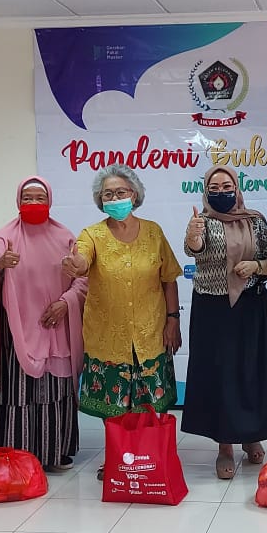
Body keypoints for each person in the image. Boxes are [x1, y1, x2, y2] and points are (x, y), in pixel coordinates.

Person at [61, 164, 182, 481]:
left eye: (121, 192)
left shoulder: (154, 232)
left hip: (150, 333)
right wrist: (75, 263)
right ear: (100, 201)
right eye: (108, 194)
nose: (115, 199)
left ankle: (149, 456)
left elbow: (169, 278)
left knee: (149, 402)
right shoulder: (92, 235)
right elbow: (81, 260)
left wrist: (173, 320)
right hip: (108, 338)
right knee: (114, 406)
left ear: (134, 195)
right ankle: (118, 456)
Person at [182, 165, 267, 480]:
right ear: (206, 192)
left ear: (237, 189)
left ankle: (252, 436)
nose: (221, 192)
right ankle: (224, 446)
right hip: (213, 310)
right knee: (220, 377)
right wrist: (193, 236)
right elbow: (194, 250)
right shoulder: (201, 222)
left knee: (251, 373)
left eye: (227, 187)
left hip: (251, 307)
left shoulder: (255, 221)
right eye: (214, 188)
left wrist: (256, 266)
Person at [0, 177, 87, 472]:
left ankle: (57, 451)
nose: (34, 203)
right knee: (19, 391)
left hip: (57, 326)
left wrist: (66, 302)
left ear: (50, 201)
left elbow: (83, 278)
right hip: (19, 330)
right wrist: (0, 265)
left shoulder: (65, 237)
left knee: (56, 388)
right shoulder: (5, 237)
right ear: (18, 201)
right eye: (28, 198)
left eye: (40, 198)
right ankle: (17, 454)